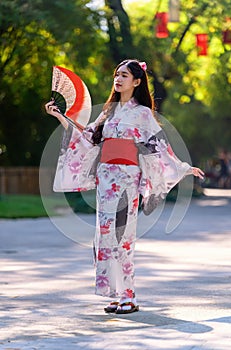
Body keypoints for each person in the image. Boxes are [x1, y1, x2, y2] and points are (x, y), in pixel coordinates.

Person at [45, 59, 204, 314]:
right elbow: (87, 138)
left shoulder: (142, 113)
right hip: (105, 179)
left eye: (125, 75)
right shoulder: (108, 110)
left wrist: (182, 167)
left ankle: (129, 295)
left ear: (137, 82)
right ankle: (117, 294)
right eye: (116, 74)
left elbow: (157, 146)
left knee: (124, 237)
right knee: (105, 236)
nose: (118, 79)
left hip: (127, 179)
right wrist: (60, 116)